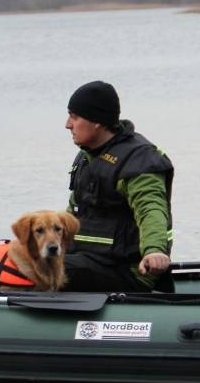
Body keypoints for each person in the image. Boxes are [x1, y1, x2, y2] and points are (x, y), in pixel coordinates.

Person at [62, 80, 174, 292]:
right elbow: (71, 215)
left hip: (127, 270)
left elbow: (151, 209)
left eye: (75, 117)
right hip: (88, 259)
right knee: (22, 259)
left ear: (96, 121)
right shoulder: (86, 157)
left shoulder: (138, 160)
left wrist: (154, 251)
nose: (68, 124)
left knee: (45, 269)